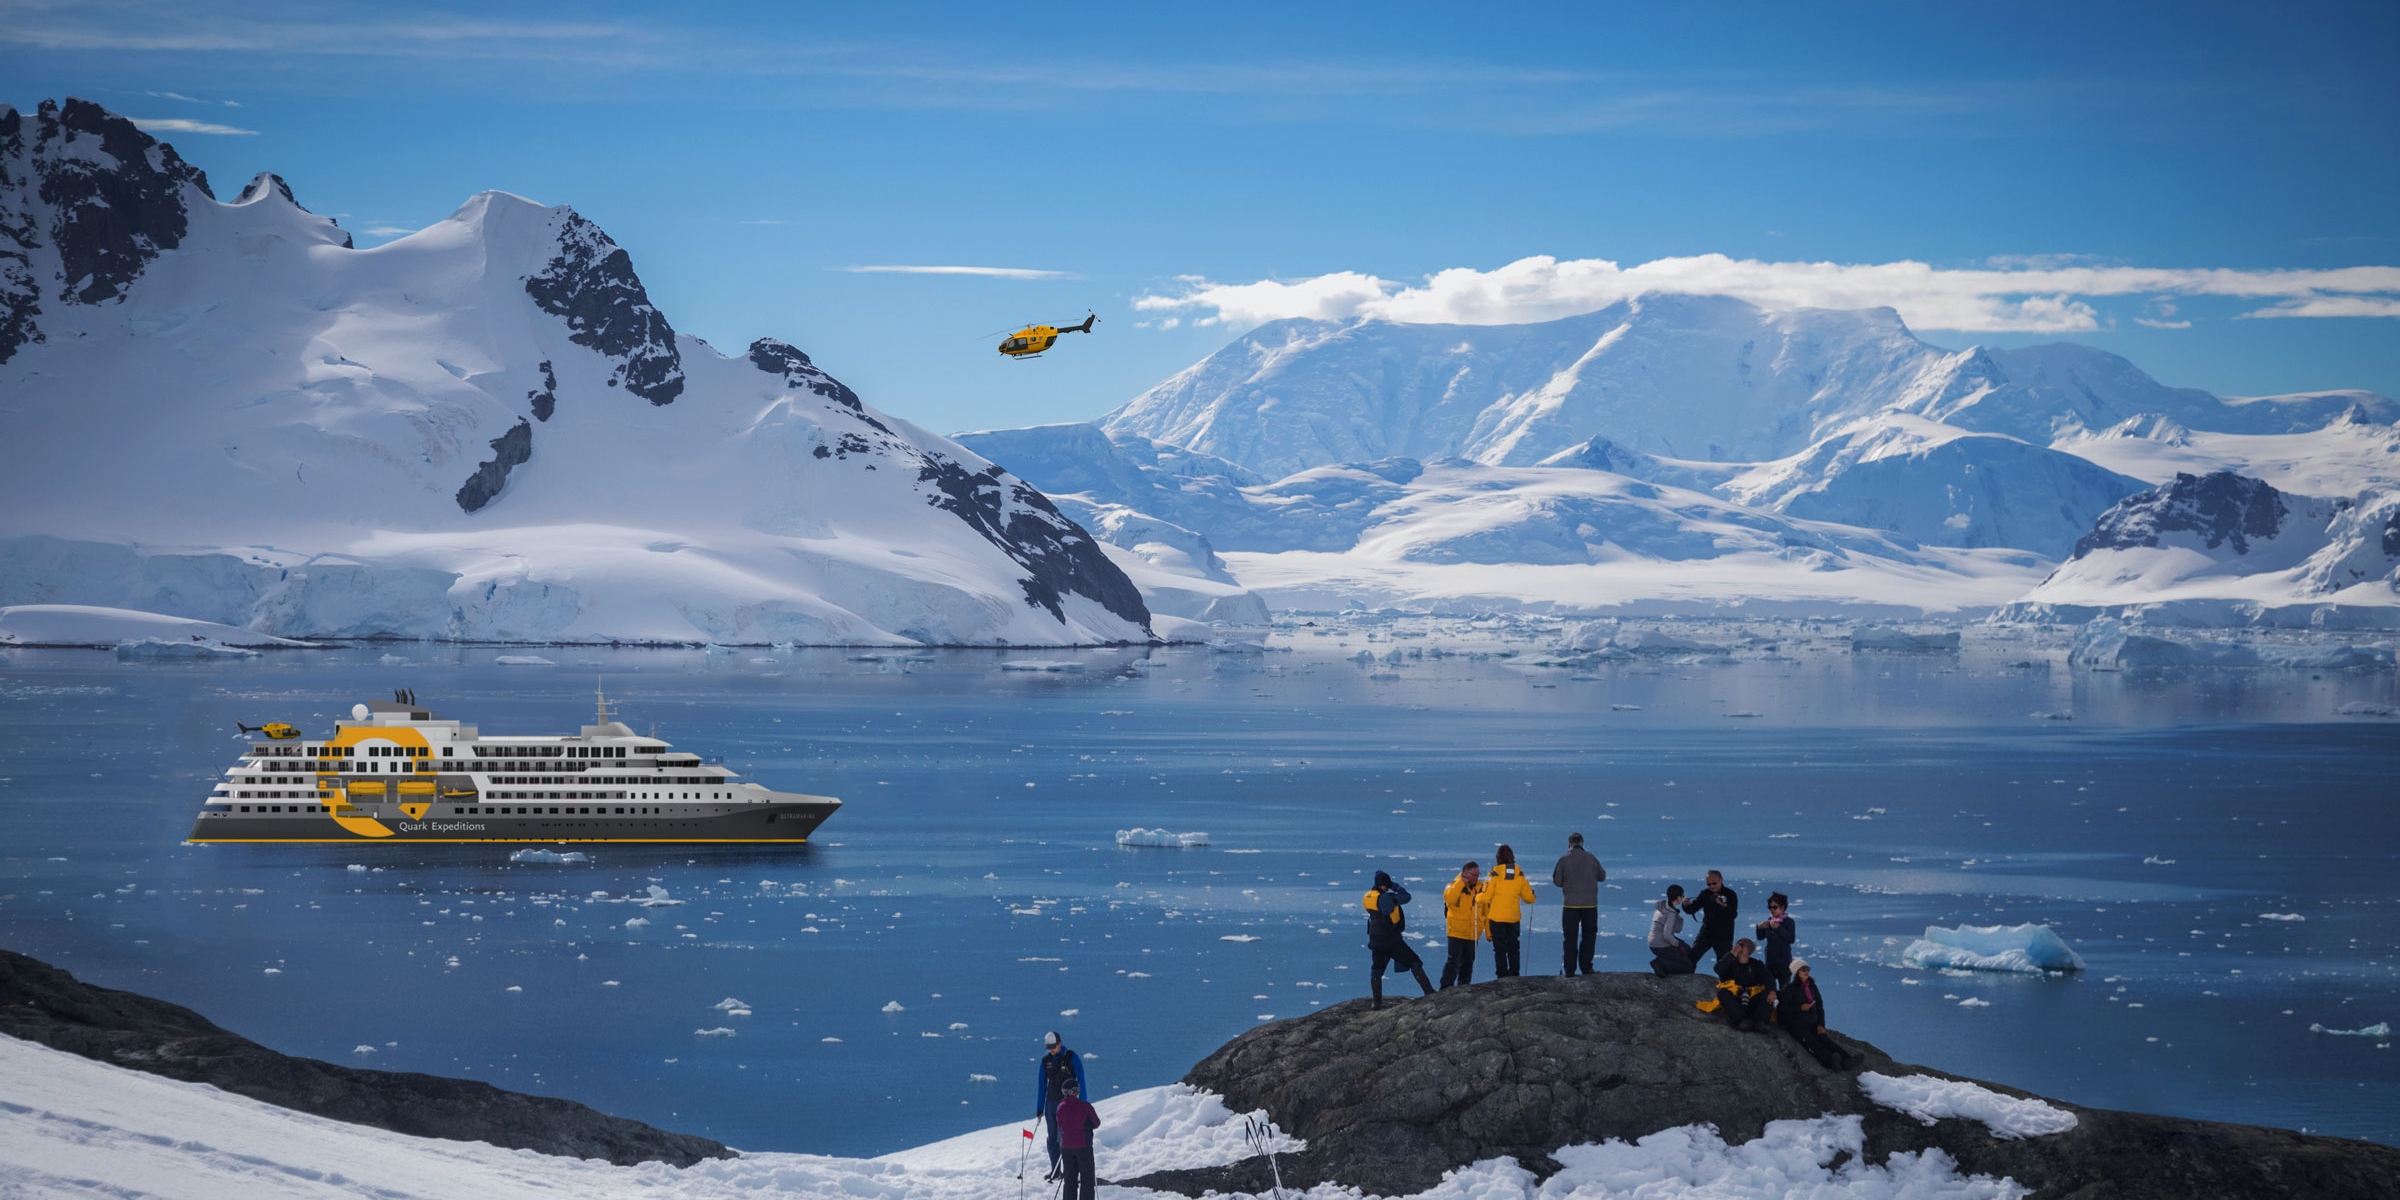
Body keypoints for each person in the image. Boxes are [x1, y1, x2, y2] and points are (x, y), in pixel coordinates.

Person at [1364, 870, 1434, 1008]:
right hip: (1391, 940)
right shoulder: (1386, 898)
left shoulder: (1368, 896)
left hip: (1376, 940)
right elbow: (1406, 897)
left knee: (1377, 970)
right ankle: (1429, 992)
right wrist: (1394, 886)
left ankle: (1377, 1002)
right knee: (1414, 962)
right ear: (1384, 884)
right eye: (1386, 883)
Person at [1779, 959, 1860, 1070]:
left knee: (1825, 1040)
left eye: (1807, 968)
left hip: (1812, 1022)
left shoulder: (1812, 987)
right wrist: (1800, 1008)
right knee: (1812, 1043)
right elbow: (1782, 1008)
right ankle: (1830, 1062)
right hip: (1796, 1025)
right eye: (1803, 969)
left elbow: (1819, 1007)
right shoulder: (1790, 989)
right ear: (1797, 972)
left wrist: (1821, 1024)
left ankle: (1846, 1060)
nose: (1806, 971)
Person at [1031, 1030, 1087, 1179]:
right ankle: (1055, 1171)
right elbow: (1041, 1085)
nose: (1051, 1050)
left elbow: (1081, 1080)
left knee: (1065, 1138)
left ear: (1060, 1044)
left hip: (1068, 1104)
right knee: (1052, 1138)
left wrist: (1084, 1105)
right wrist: (1039, 1108)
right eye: (1049, 1047)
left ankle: (1069, 1172)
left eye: (1054, 1047)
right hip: (1051, 1104)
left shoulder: (1072, 1058)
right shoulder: (1045, 1062)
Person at [1551, 832, 1606, 975]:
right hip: (1590, 904)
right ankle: (1586, 967)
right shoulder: (1591, 858)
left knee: (1570, 937)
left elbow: (1557, 881)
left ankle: (1569, 969)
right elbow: (1602, 876)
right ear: (1582, 842)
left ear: (1570, 843)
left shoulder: (1563, 859)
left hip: (1570, 905)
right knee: (1589, 935)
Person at [1698, 938, 1773, 1030]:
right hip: (1736, 998)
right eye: (1738, 945)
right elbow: (1718, 969)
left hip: (1751, 997)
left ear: (1749, 949)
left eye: (1742, 945)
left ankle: (1760, 1022)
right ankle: (1741, 1020)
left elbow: (1768, 978)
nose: (1739, 947)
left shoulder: (1756, 964)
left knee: (1767, 993)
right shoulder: (1731, 963)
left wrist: (1772, 991)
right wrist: (1732, 954)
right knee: (1723, 993)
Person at [1484, 844, 1535, 978]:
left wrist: (1477, 897)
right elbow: (1528, 898)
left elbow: (1485, 896)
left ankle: (1502, 975)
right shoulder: (1519, 874)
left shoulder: (1494, 874)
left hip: (1497, 917)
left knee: (1499, 948)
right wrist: (1533, 896)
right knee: (1513, 946)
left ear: (1498, 858)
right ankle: (1514, 973)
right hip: (1513, 917)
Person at [1439, 860, 1486, 989]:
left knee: (1468, 964)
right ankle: (1445, 988)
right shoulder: (1453, 886)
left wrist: (1488, 930)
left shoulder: (1482, 888)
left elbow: (1486, 910)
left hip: (1473, 932)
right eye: (1474, 874)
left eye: (1478, 874)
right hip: (1457, 931)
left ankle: (1463, 988)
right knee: (1453, 962)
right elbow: (1449, 898)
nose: (1477, 877)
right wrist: (1461, 883)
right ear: (1465, 873)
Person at [1053, 1077, 1102, 1200]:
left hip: (1066, 1147)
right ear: (1074, 1091)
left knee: (1069, 1180)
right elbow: (1096, 1123)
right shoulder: (1085, 1106)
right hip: (1083, 1145)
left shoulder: (1060, 1108)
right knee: (1087, 1179)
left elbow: (1060, 1124)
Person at [1681, 870, 1740, 971]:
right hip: (1707, 933)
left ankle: (1726, 984)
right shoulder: (1705, 894)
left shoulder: (1730, 894)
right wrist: (1685, 905)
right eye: (1709, 884)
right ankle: (1686, 980)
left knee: (1724, 965)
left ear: (1721, 880)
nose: (1712, 886)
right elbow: (1692, 909)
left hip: (1724, 935)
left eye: (1714, 883)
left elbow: (1733, 914)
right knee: (1691, 957)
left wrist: (1723, 905)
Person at [1648, 884, 1695, 975]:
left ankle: (1663, 960)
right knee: (1689, 968)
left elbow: (1676, 929)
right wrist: (1677, 945)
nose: (1683, 898)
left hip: (1654, 942)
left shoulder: (1663, 906)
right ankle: (1661, 964)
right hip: (1661, 945)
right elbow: (1667, 935)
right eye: (1682, 896)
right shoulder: (1670, 914)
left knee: (1688, 950)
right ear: (1678, 897)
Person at [1754, 892, 1797, 990]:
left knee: (1784, 989)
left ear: (1782, 908)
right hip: (1771, 961)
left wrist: (1778, 928)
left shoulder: (1789, 922)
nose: (1772, 910)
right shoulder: (1770, 921)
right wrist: (1759, 927)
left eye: (1774, 907)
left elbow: (1790, 939)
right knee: (1768, 988)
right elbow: (1760, 937)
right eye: (1770, 907)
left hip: (1784, 963)